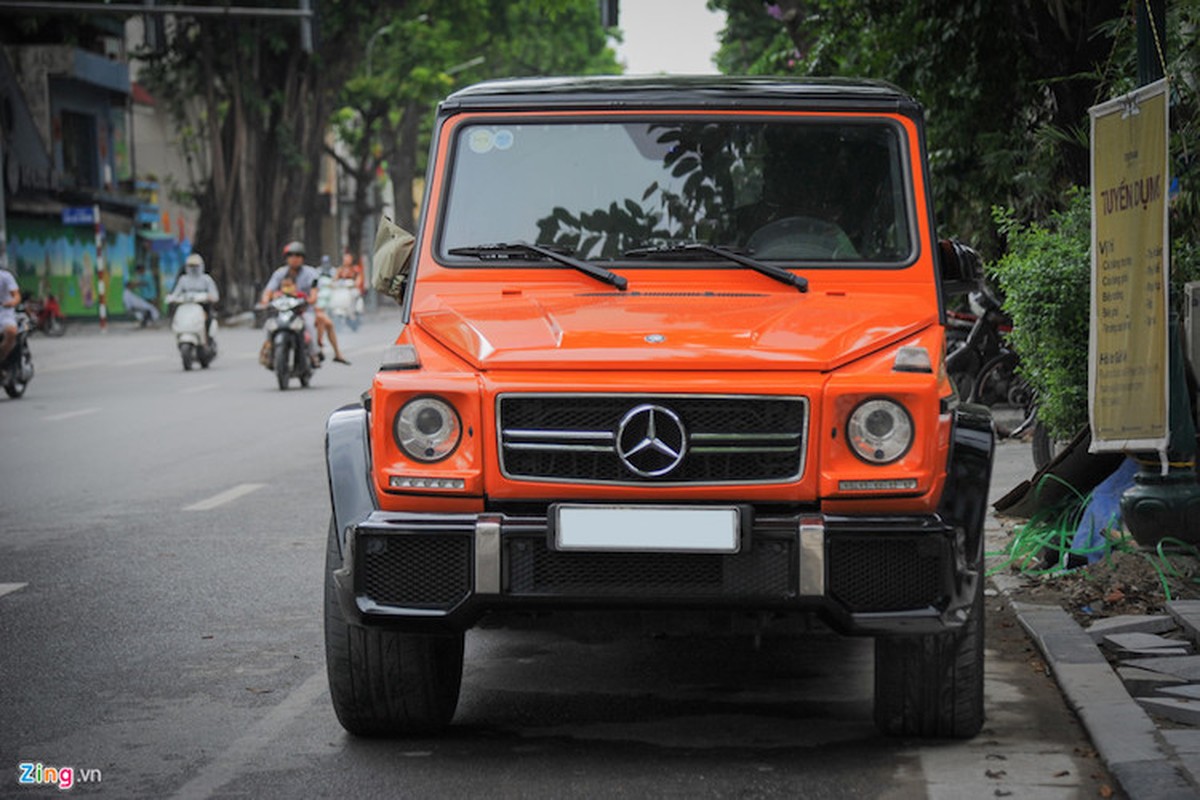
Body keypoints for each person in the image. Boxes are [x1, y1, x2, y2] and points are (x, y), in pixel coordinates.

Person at [261, 241, 349, 365]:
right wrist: (265, 301)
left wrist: (307, 299)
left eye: (297, 256)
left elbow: (313, 294)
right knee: (269, 325)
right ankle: (268, 351)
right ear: (286, 258)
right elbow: (268, 291)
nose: (294, 259)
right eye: (291, 256)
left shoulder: (310, 273)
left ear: (302, 258)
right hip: (284, 310)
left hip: (304, 310)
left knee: (309, 324)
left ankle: (314, 354)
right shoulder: (280, 273)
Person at [170, 253, 220, 344]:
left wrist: (210, 297)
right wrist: (172, 298)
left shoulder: (206, 279)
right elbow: (176, 293)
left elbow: (214, 294)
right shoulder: (183, 279)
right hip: (187, 306)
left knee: (208, 318)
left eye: (196, 266)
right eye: (191, 266)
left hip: (203, 306)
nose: (193, 269)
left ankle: (208, 339)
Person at [0, 265, 20, 365]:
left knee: (11, 331)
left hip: (4, 313)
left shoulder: (5, 276)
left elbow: (16, 295)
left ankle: (2, 357)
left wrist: (12, 302)